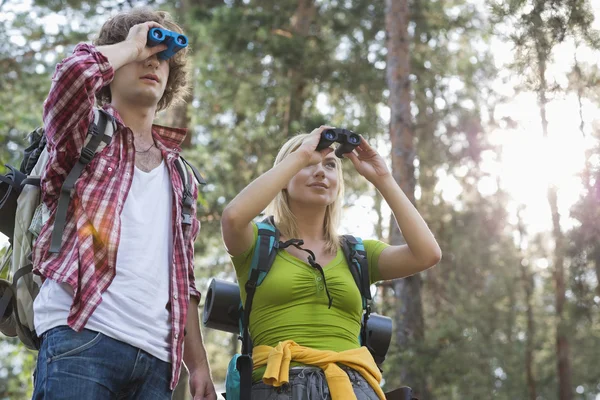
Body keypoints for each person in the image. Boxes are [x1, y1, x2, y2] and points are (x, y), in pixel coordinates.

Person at [30, 8, 216, 400]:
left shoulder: (180, 173)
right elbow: (72, 77)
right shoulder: (85, 136)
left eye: (162, 57)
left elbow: (183, 279)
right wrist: (130, 45)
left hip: (157, 362)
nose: (151, 61)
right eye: (142, 54)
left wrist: (197, 365)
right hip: (80, 337)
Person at [220, 126, 442, 399]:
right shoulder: (256, 244)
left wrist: (383, 179)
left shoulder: (358, 253)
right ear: (285, 178)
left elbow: (427, 253)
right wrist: (300, 155)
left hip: (352, 389)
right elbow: (231, 217)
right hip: (275, 385)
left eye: (330, 165)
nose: (320, 171)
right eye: (308, 163)